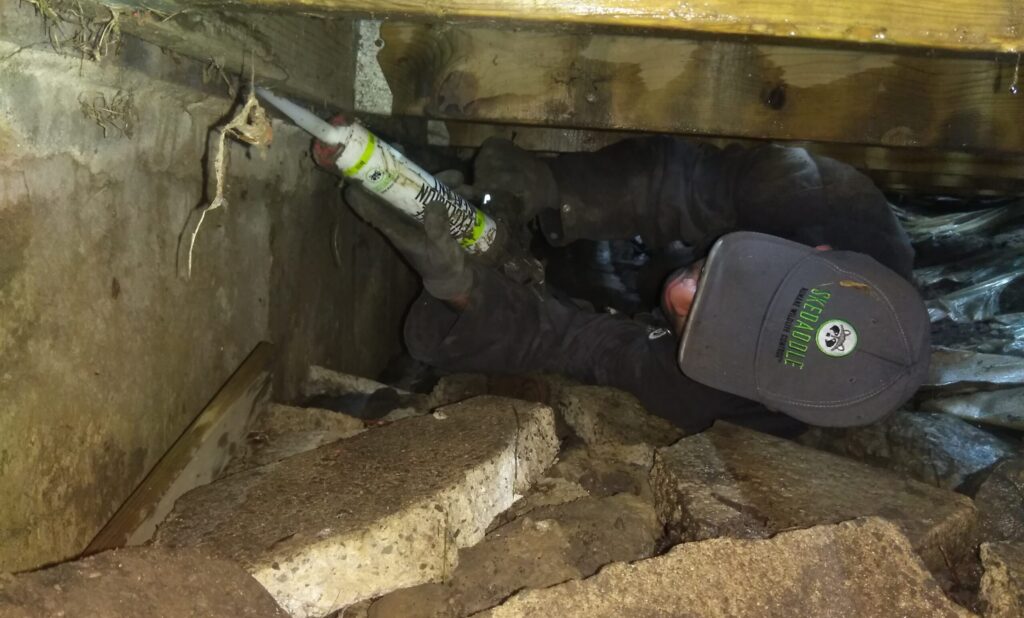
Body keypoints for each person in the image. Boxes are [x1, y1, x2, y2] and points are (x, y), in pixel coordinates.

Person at [344, 137, 930, 434]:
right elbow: (671, 185)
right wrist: (545, 185)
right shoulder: (812, 193)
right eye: (736, 286)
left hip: (626, 304)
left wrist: (459, 287)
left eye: (715, 330)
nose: (679, 298)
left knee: (589, 293)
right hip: (670, 232)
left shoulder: (710, 395)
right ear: (816, 254)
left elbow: (579, 344)